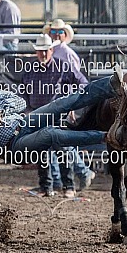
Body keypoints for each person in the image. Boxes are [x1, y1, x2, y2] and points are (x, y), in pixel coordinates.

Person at [0, 68, 125, 173]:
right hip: (13, 146)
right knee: (51, 134)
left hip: (24, 122)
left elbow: (19, 101)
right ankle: (106, 136)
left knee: (59, 104)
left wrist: (0, 111)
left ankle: (109, 85)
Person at [22, 34, 88, 198]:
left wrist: (72, 102)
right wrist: (25, 110)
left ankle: (68, 187)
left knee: (63, 151)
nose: (43, 54)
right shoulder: (30, 70)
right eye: (40, 51)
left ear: (51, 50)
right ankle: (46, 187)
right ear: (36, 52)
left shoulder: (63, 66)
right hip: (38, 115)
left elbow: (83, 83)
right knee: (41, 152)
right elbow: (23, 91)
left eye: (46, 51)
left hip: (58, 114)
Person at [42, 19, 97, 190]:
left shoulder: (67, 54)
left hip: (63, 104)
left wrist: (71, 105)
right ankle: (61, 178)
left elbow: (76, 82)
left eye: (60, 32)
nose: (56, 35)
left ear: (65, 35)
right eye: (53, 32)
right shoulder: (54, 52)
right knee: (54, 142)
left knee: (61, 142)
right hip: (54, 103)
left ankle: (81, 172)